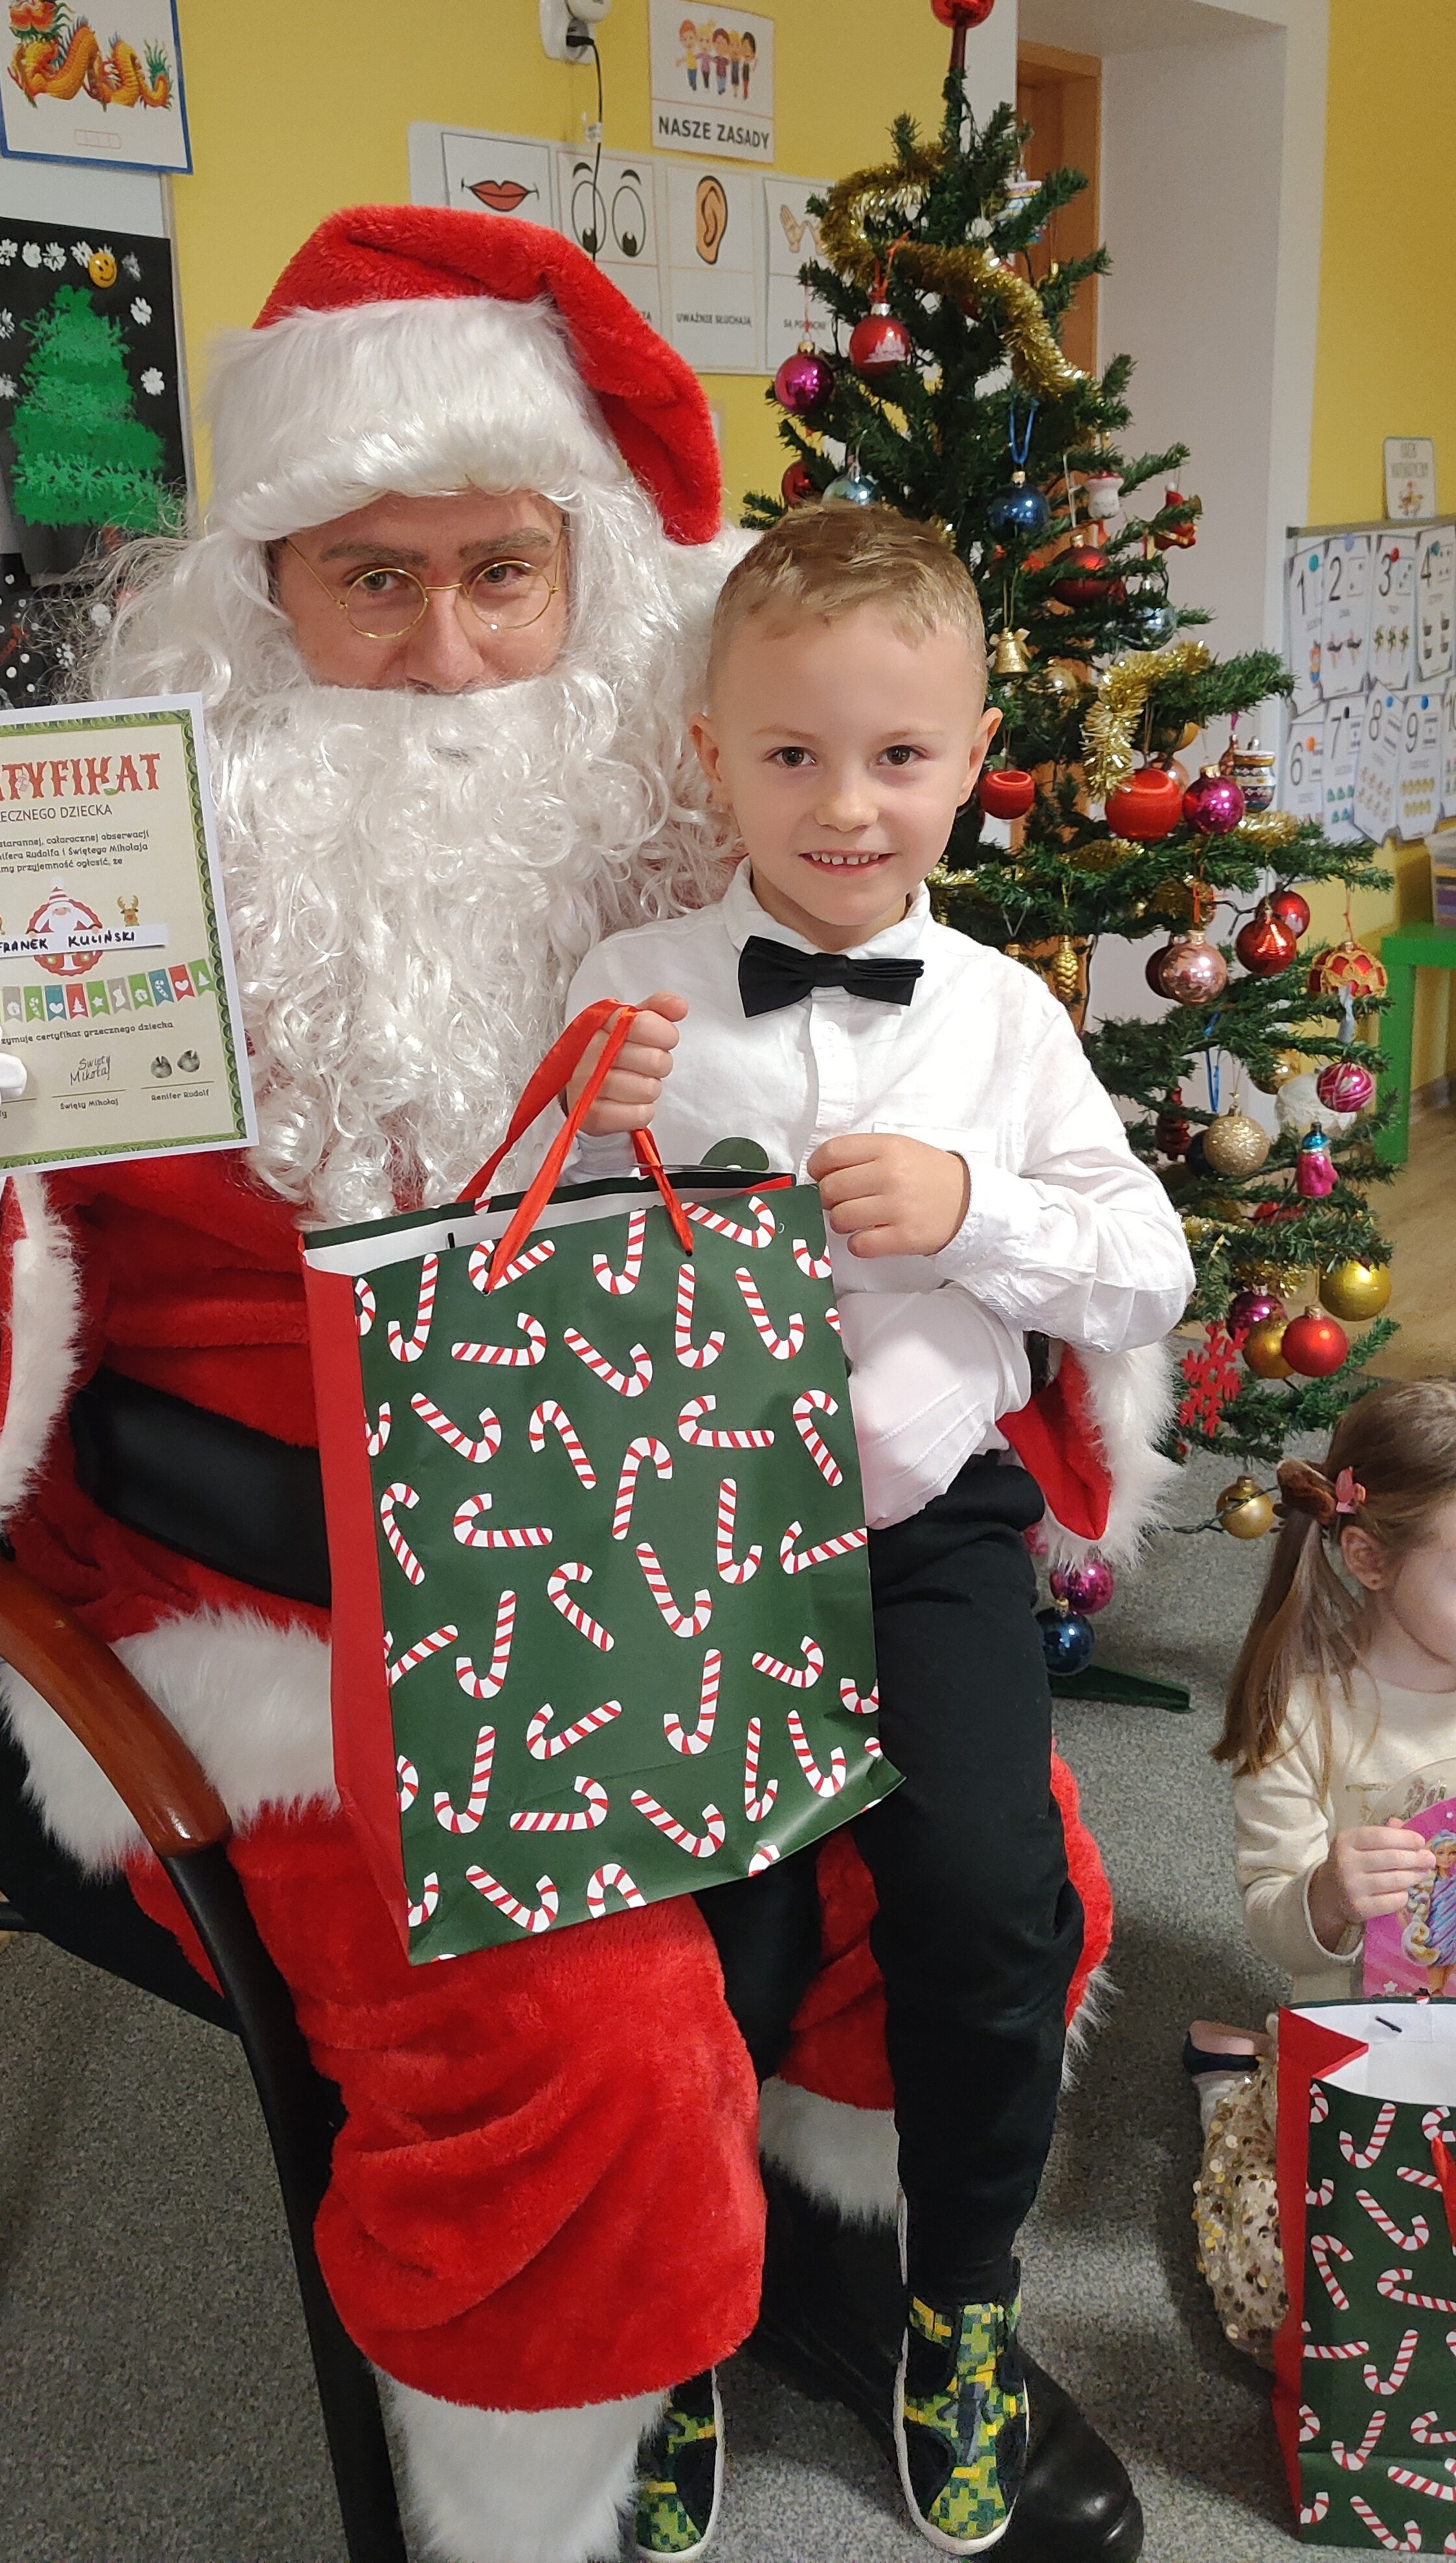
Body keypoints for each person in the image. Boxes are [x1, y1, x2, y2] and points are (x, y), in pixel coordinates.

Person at [0, 210, 1139, 2563]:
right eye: (368, 579)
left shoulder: (712, 810)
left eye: (503, 572)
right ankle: (557, 2468)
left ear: (592, 572)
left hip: (697, 1525)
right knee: (586, 2036)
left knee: (1002, 1870)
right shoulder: (86, 868)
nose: (443, 652)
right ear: (258, 590)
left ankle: (846, 2261)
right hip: (286, 1599)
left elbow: (965, 1123)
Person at [566, 505, 1194, 2553]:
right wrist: (576, 1140)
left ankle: (960, 2303)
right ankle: (675, 2328)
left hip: (928, 1529)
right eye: (793, 755)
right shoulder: (630, 991)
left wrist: (976, 1216)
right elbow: (524, 1278)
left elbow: (1150, 1270)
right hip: (689, 1531)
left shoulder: (1005, 1016)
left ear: (975, 756)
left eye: (900, 756)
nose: (847, 806)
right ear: (711, 756)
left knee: (993, 1901)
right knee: (695, 1949)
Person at [1187, 1378, 1456, 2369]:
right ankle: (1230, 2094)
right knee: (1286, 2314)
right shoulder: (1302, 1714)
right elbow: (1270, 1913)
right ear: (1370, 1558)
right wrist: (1329, 1896)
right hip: (1354, 2065)